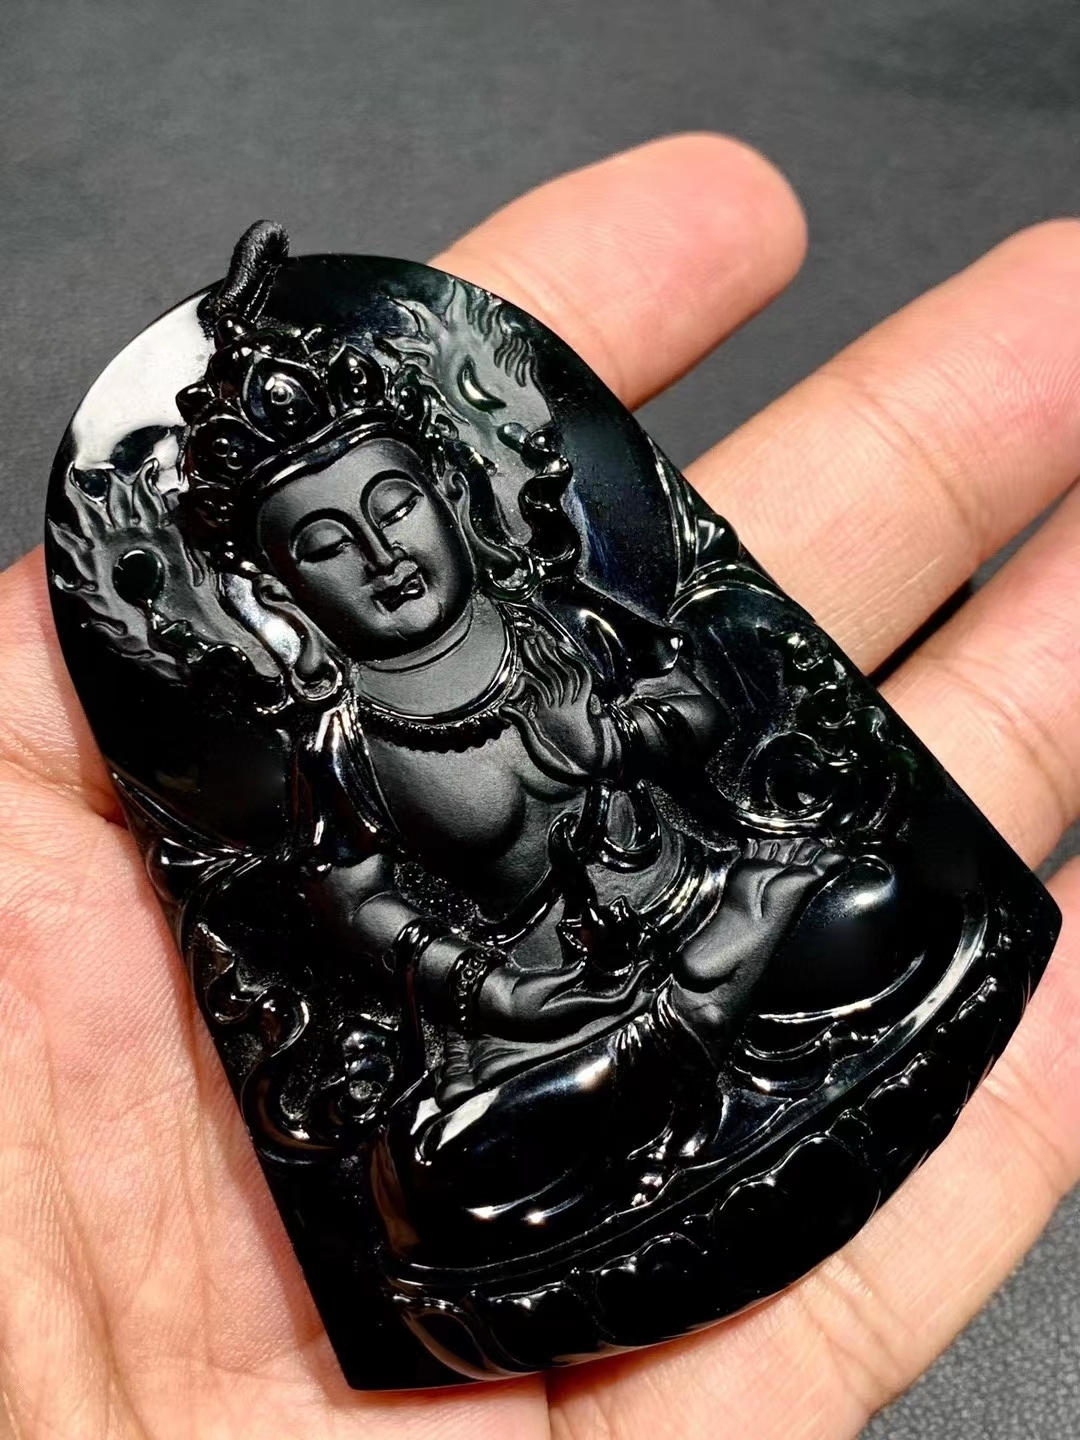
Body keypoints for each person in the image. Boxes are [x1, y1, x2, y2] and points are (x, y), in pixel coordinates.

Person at [2, 135, 1078, 1435]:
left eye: (393, 506)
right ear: (280, 592)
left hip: (701, 896)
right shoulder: (343, 741)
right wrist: (494, 991)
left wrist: (625, 737)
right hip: (544, 1010)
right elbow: (358, 909)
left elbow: (691, 703)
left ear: (448, 492)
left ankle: (690, 1024)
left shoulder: (547, 622)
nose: (381, 556)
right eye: (326, 545)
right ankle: (670, 1041)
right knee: (437, 1171)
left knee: (878, 901)